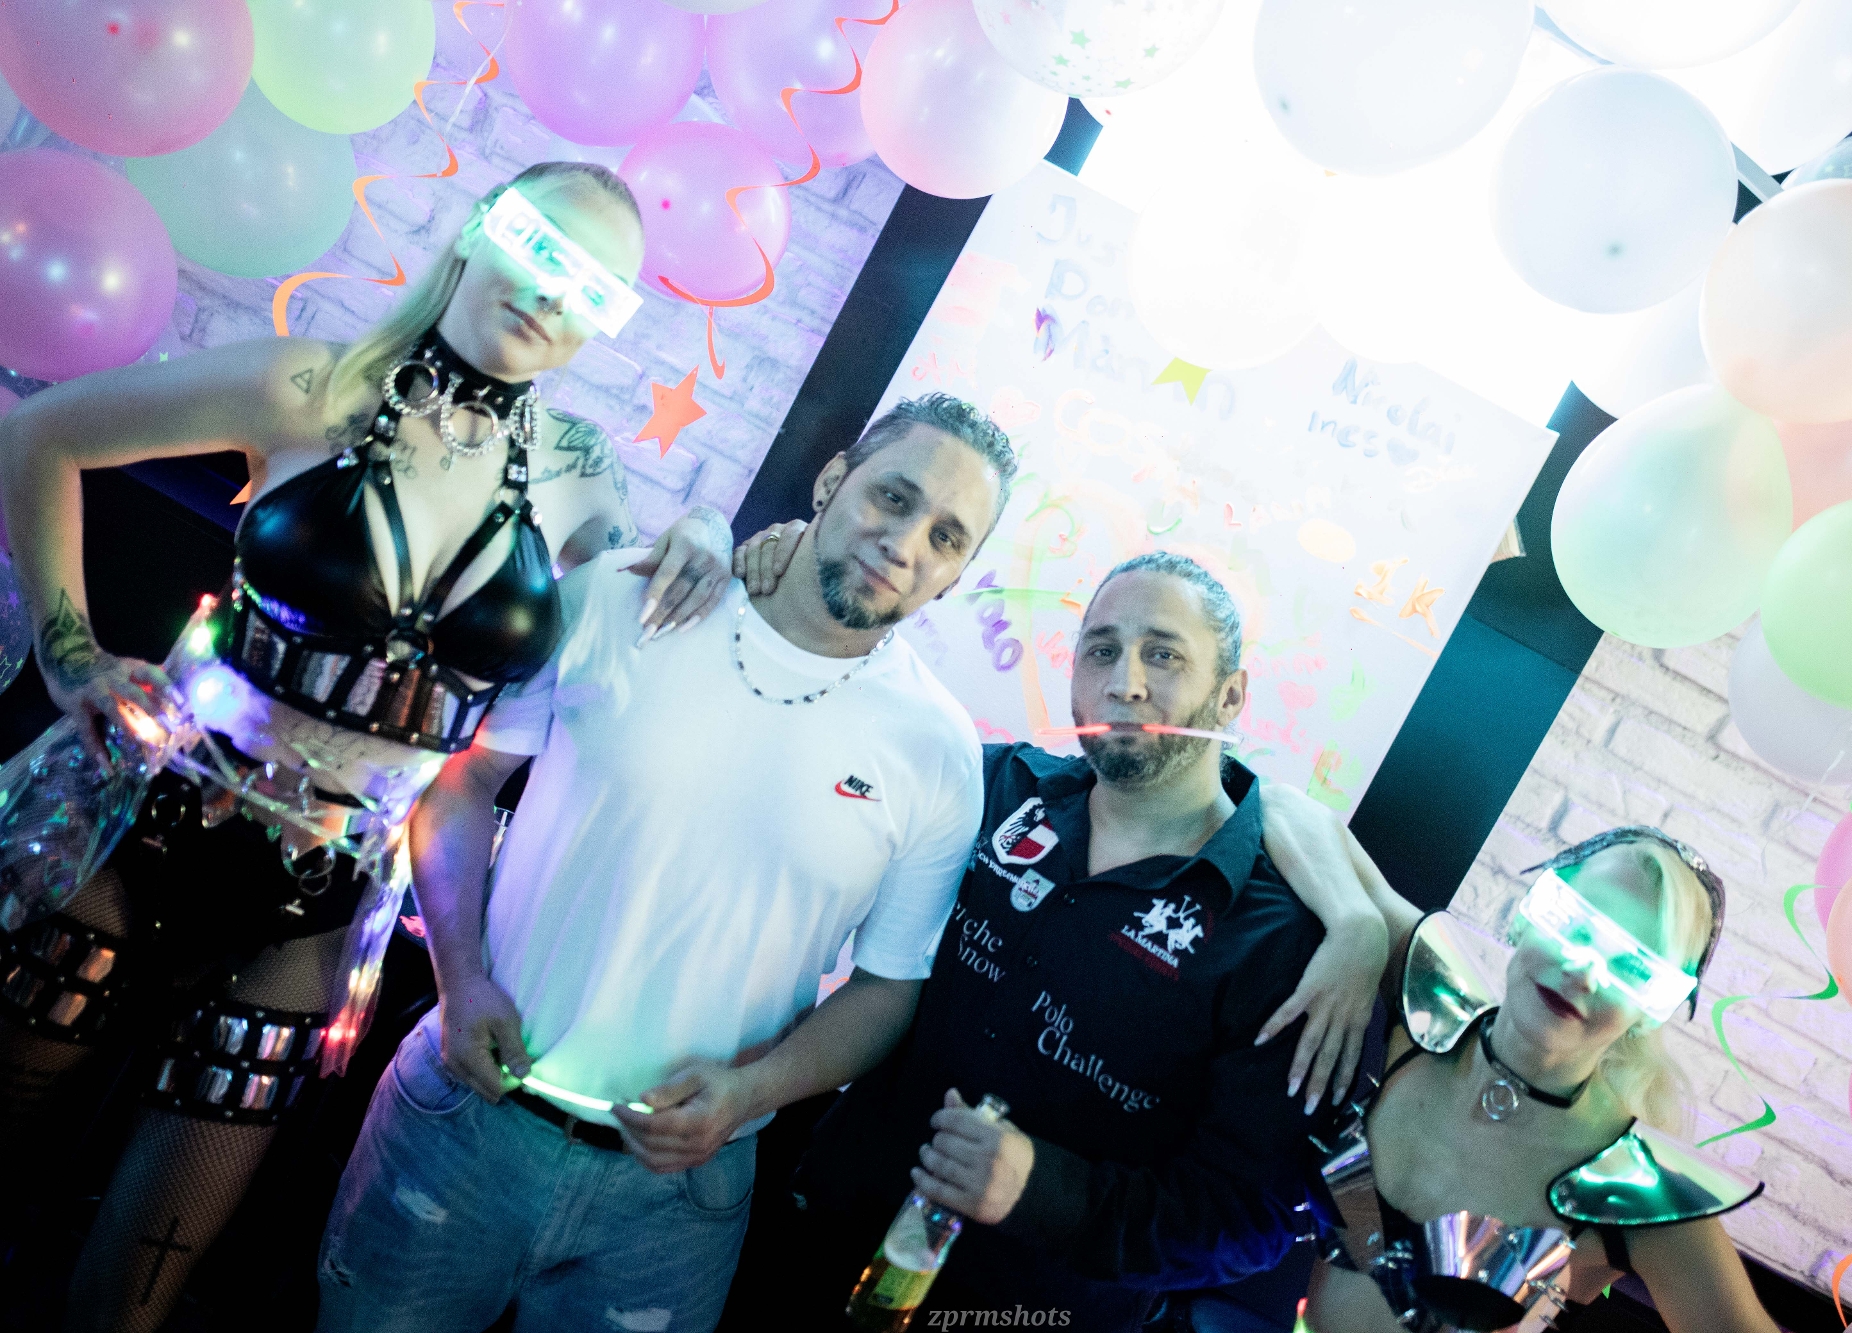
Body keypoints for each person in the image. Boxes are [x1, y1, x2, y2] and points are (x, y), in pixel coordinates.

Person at [0, 161, 735, 1333]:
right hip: (140, 828)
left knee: (134, 1290)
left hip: (318, 900)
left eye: (594, 290)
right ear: (481, 228)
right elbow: (40, 433)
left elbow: (644, 589)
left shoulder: (578, 472)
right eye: (541, 249)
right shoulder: (312, 384)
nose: (552, 295)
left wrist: (706, 525)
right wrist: (71, 656)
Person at [313, 395, 1020, 1333]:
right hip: (468, 1118)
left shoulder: (940, 750)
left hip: (679, 1198)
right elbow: (463, 783)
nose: (905, 543)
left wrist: (751, 1094)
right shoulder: (621, 593)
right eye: (893, 496)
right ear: (832, 478)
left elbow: (888, 986)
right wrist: (461, 977)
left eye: (946, 536)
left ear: (958, 571)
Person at [769, 550, 1391, 1332]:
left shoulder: (1283, 945)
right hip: (816, 1240)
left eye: (1163, 654)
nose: (1123, 681)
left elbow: (1247, 1221)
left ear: (1231, 695)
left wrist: (1041, 1187)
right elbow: (825, 748)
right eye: (1101, 650)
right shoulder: (995, 790)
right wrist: (776, 572)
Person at [1260, 795, 1781, 1333]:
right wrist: (1356, 923)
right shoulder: (1432, 1001)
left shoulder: (1631, 1186)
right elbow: (1280, 806)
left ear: (1653, 1011)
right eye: (1576, 926)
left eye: (1630, 966)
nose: (1582, 971)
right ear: (1526, 914)